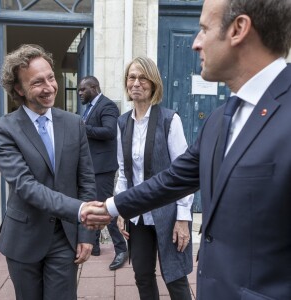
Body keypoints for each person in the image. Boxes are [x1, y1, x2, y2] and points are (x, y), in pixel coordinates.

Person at [81, 0, 291, 299]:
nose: (195, 43)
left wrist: (180, 218)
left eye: (204, 29)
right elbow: (172, 179)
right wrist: (111, 207)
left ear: (239, 29)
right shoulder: (220, 119)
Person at [0, 44, 111, 300]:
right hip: (24, 236)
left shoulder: (73, 123)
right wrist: (80, 210)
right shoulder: (3, 129)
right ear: (19, 89)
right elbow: (26, 186)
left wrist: (86, 232)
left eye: (51, 77)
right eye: (37, 82)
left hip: (64, 236)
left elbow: (86, 180)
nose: (49, 87)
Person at [115, 56, 193, 300]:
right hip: (138, 216)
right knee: (142, 275)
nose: (136, 83)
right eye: (131, 77)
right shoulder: (122, 123)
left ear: (153, 83)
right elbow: (123, 171)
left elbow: (185, 173)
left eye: (142, 77)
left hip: (169, 214)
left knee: (176, 278)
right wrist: (120, 208)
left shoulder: (170, 120)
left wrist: (183, 218)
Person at [77, 76, 128, 270]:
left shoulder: (107, 106)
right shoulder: (90, 107)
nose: (80, 93)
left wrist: (83, 127)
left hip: (104, 167)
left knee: (108, 207)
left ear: (94, 87)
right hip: (92, 166)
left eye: (83, 90)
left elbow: (109, 131)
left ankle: (121, 248)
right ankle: (95, 245)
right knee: (95, 203)